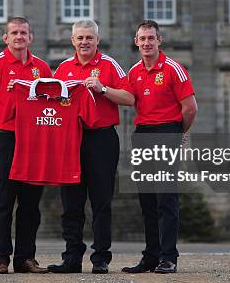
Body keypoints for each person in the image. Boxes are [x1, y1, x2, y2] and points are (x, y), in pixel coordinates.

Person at [48, 19, 135, 274]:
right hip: (70, 140)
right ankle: (72, 257)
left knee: (101, 201)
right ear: (72, 41)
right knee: (71, 202)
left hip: (101, 139)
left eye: (89, 38)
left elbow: (129, 98)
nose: (84, 42)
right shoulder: (63, 68)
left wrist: (103, 88)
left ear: (97, 40)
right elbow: (50, 103)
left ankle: (100, 258)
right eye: (80, 38)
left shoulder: (109, 65)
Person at [0, 17, 52, 274]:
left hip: (34, 143)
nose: (19, 37)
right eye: (14, 33)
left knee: (31, 203)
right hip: (5, 139)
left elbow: (51, 104)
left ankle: (25, 258)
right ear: (5, 38)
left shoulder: (42, 68)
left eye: (24, 33)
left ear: (31, 37)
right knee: (3, 200)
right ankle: (0, 258)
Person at [123, 20, 198, 274]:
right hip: (142, 133)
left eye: (151, 38)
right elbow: (127, 99)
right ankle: (151, 257)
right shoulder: (133, 72)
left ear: (159, 41)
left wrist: (179, 132)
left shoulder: (173, 69)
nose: (146, 43)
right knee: (147, 201)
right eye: (142, 39)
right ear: (136, 42)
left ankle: (169, 257)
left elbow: (190, 107)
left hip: (167, 132)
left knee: (165, 199)